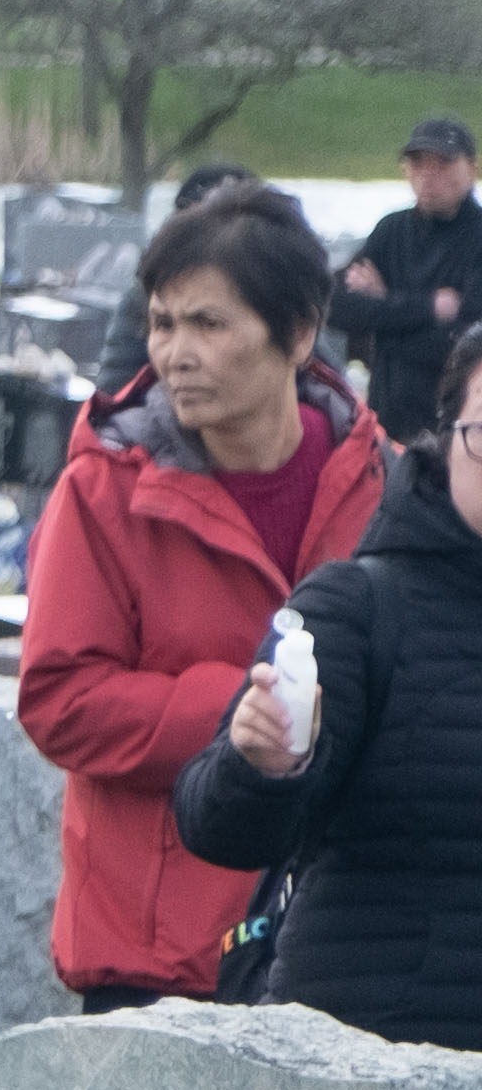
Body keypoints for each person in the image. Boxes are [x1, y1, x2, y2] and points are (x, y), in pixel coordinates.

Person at [24, 187, 385, 1008]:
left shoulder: (382, 484)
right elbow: (60, 698)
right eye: (163, 323)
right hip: (155, 957)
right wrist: (242, 716)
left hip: (336, 953)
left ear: (298, 334)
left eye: (208, 324)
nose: (175, 353)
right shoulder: (106, 491)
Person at [173, 364, 482, 1051]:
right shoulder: (359, 606)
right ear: (445, 440)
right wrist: (265, 765)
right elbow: (217, 828)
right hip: (376, 1069)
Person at [332, 120, 482, 443]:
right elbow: (336, 306)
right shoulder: (391, 231)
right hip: (387, 423)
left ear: (471, 168)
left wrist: (383, 314)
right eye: (418, 163)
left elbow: (464, 345)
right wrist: (428, 307)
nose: (428, 174)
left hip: (456, 429)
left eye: (443, 163)